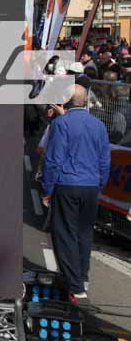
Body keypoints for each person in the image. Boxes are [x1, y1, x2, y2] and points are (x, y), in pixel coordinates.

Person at [41, 85, 111, 304]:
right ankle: (82, 276)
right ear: (85, 101)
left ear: (65, 101)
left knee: (64, 234)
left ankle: (75, 284)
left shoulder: (61, 123)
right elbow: (105, 159)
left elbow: (54, 159)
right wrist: (100, 184)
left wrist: (47, 189)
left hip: (67, 183)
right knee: (84, 233)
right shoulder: (99, 125)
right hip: (91, 185)